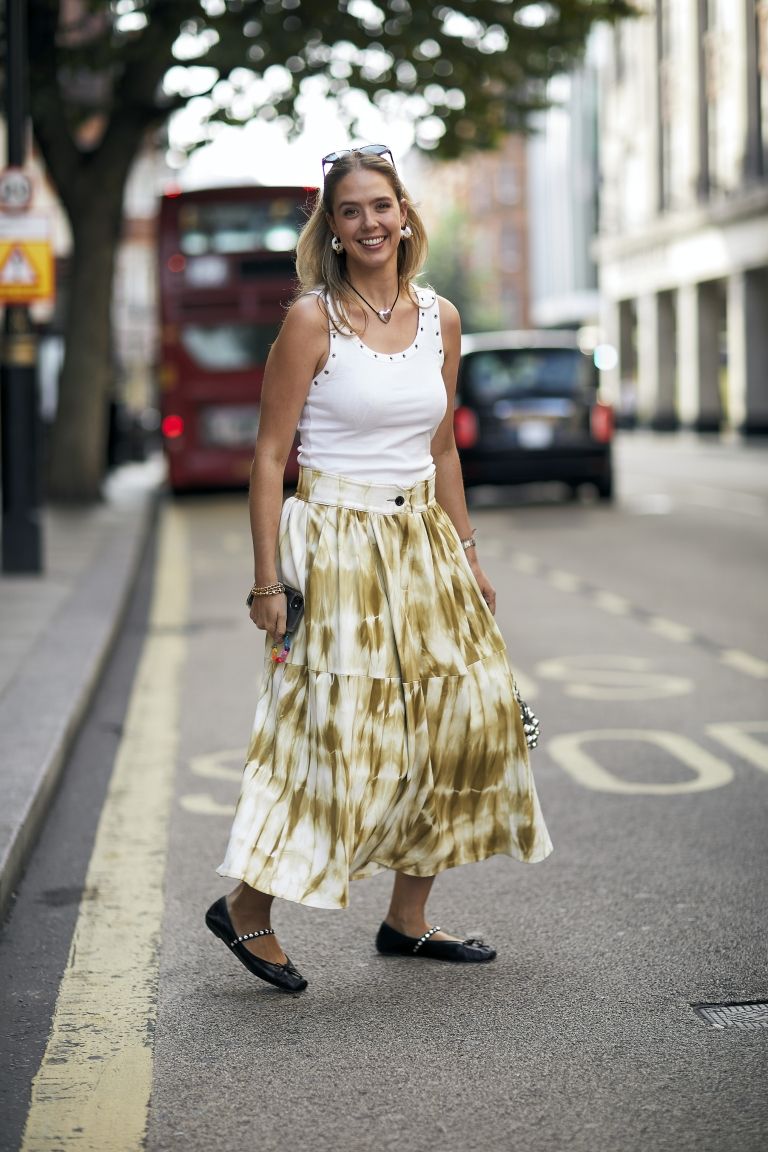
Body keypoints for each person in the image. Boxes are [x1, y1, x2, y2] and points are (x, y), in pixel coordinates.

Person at [205, 144, 553, 993]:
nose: (369, 223)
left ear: (406, 215)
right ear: (333, 226)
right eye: (351, 210)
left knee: (468, 723)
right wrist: (264, 581)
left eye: (382, 206)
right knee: (344, 744)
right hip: (335, 545)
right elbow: (267, 457)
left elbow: (441, 451)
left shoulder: (443, 318)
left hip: (424, 541)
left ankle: (407, 919)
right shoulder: (311, 320)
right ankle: (247, 907)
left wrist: (469, 555)